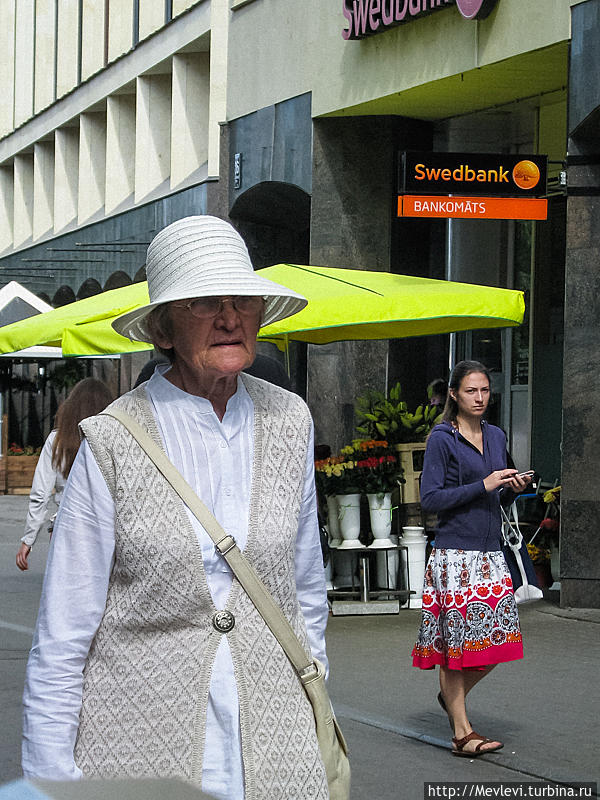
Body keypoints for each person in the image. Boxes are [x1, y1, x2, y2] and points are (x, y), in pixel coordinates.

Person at [22, 215, 330, 800]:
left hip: (274, 741)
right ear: (163, 330)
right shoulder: (112, 440)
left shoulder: (290, 420)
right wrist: (50, 775)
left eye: (241, 300)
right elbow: (63, 631)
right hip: (138, 746)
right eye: (204, 303)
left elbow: (305, 589)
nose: (229, 317)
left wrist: (309, 702)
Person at [412, 360, 532, 757]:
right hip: (455, 553)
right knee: (459, 646)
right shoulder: (441, 439)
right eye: (471, 391)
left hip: (490, 552)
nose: (479, 398)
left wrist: (511, 487)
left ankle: (451, 698)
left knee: (496, 643)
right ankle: (462, 733)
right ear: (453, 395)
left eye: (484, 391)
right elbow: (429, 499)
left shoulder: (495, 436)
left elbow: (497, 495)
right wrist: (484, 484)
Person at [15, 378, 113, 571]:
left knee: (66, 595)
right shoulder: (113, 437)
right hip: (105, 529)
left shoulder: (57, 439)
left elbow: (40, 494)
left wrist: (29, 539)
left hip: (66, 528)